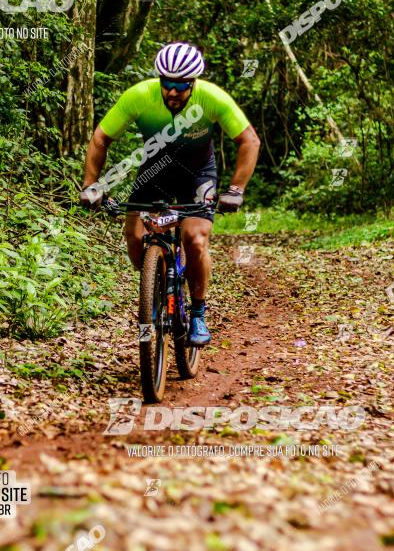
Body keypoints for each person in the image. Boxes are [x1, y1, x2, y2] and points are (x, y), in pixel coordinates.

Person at [80, 42, 260, 346]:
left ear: (193, 83)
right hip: (155, 172)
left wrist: (235, 190)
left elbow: (249, 141)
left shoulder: (213, 98)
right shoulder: (139, 96)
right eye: (167, 83)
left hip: (198, 174)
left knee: (195, 239)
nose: (172, 92)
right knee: (136, 238)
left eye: (180, 85)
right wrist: (91, 185)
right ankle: (158, 282)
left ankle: (199, 312)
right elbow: (101, 138)